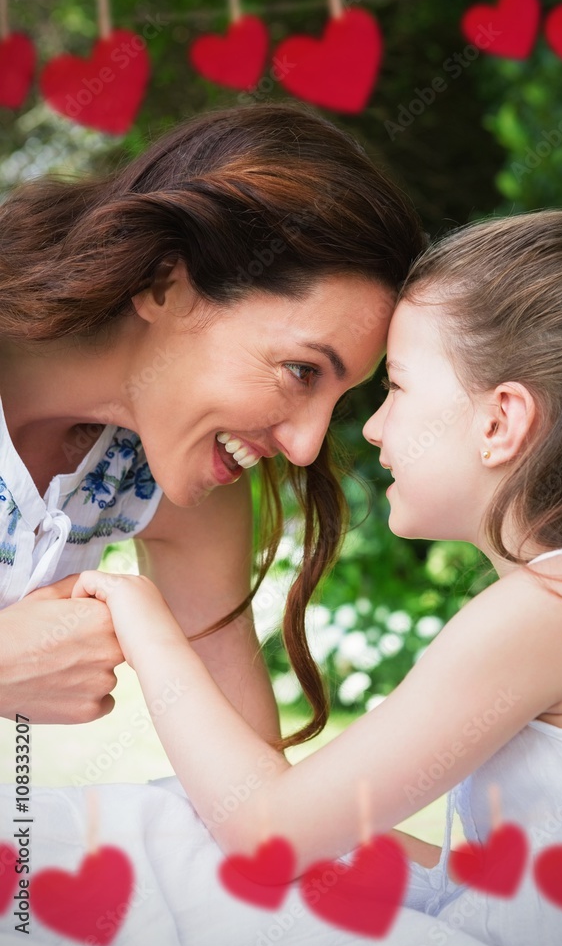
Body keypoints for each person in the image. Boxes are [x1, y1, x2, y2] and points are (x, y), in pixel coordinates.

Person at [64, 210, 562, 946]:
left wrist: (146, 627)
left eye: (398, 388)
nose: (372, 428)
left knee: (155, 838)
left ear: (499, 422)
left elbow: (266, 834)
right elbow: (515, 876)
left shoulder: (552, 609)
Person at [0, 102, 424, 755]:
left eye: (338, 400)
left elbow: (247, 788)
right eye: (301, 371)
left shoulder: (171, 470)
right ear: (167, 281)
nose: (306, 446)